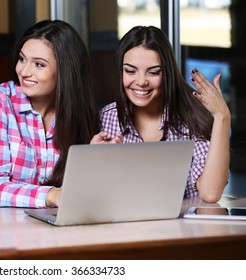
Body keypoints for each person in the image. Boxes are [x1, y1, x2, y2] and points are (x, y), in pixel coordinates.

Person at [91, 25, 230, 203]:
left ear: (167, 73)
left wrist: (222, 117)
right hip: (125, 228)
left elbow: (210, 193)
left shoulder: (192, 119)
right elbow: (97, 195)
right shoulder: (106, 118)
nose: (141, 82)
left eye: (154, 72)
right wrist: (96, 162)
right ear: (120, 71)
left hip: (185, 229)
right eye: (130, 71)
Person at [0, 20, 98, 208]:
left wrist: (93, 159)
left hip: (55, 229)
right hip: (0, 230)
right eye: (22, 59)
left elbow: (83, 195)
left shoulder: (77, 114)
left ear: (65, 72)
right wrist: (51, 195)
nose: (24, 71)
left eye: (39, 65)